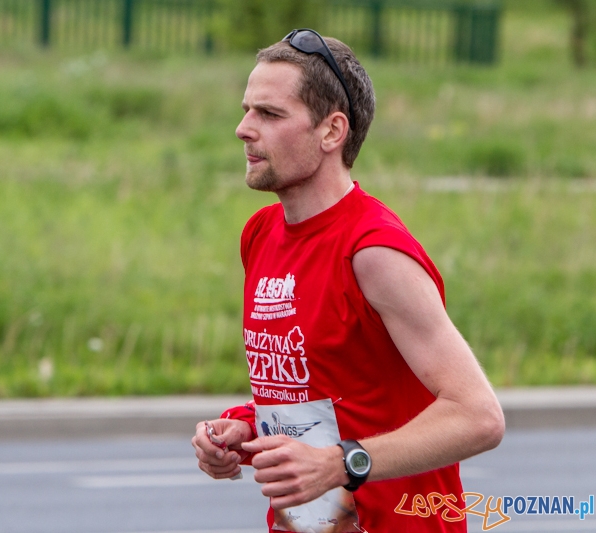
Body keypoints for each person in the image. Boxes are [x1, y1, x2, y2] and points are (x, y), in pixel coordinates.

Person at [191, 29, 505, 533]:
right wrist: (243, 428)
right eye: (247, 110)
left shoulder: (375, 252)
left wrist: (340, 463)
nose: (243, 129)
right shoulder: (261, 234)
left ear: (332, 131)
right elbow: (329, 393)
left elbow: (478, 417)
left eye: (269, 114)